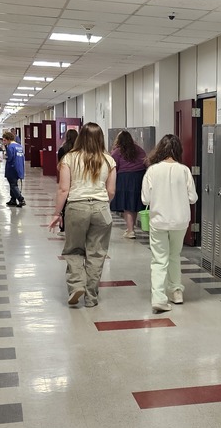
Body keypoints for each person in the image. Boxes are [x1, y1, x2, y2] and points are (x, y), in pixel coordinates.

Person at [49, 123, 116, 307]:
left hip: (76, 208)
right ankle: (91, 297)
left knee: (74, 249)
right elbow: (111, 191)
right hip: (101, 208)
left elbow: (64, 189)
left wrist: (56, 213)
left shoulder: (69, 158)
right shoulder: (109, 160)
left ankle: (77, 284)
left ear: (80, 138)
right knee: (97, 254)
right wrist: (100, 204)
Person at [141, 134, 197, 313]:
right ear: (178, 150)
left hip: (158, 221)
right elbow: (193, 198)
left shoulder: (152, 171)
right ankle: (176, 291)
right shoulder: (184, 170)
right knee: (174, 256)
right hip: (180, 222)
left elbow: (145, 199)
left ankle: (158, 298)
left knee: (159, 260)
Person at [110, 130, 148, 239]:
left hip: (124, 179)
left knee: (127, 205)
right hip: (138, 178)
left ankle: (131, 230)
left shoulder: (117, 152)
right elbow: (145, 163)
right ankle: (131, 228)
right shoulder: (139, 150)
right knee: (134, 204)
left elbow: (113, 167)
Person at [56, 128, 78, 232]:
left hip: (65, 175)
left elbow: (59, 164)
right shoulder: (80, 150)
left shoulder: (62, 149)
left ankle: (63, 225)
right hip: (77, 177)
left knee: (65, 199)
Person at [1, 131, 25, 207]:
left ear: (8, 139)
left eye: (4, 140)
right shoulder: (19, 146)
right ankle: (13, 199)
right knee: (13, 184)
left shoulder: (10, 147)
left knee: (13, 185)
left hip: (12, 168)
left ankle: (21, 199)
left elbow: (10, 158)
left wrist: (5, 157)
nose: (3, 142)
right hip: (19, 167)